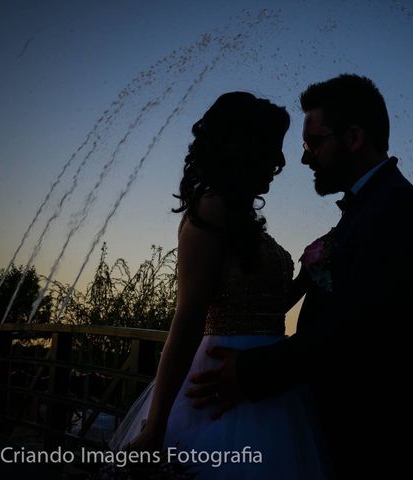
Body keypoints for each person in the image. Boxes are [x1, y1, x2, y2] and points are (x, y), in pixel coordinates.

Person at [186, 74, 413, 478]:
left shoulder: (396, 212)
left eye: (313, 144)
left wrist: (250, 371)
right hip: (343, 434)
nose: (304, 158)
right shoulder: (371, 209)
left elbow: (354, 336)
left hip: (376, 445)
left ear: (354, 137)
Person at [109, 91, 331, 479]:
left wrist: (309, 275)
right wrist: (155, 425)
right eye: (272, 149)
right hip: (221, 385)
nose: (280, 162)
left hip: (263, 379)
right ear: (244, 148)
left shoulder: (240, 214)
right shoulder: (210, 209)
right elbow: (188, 317)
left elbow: (264, 308)